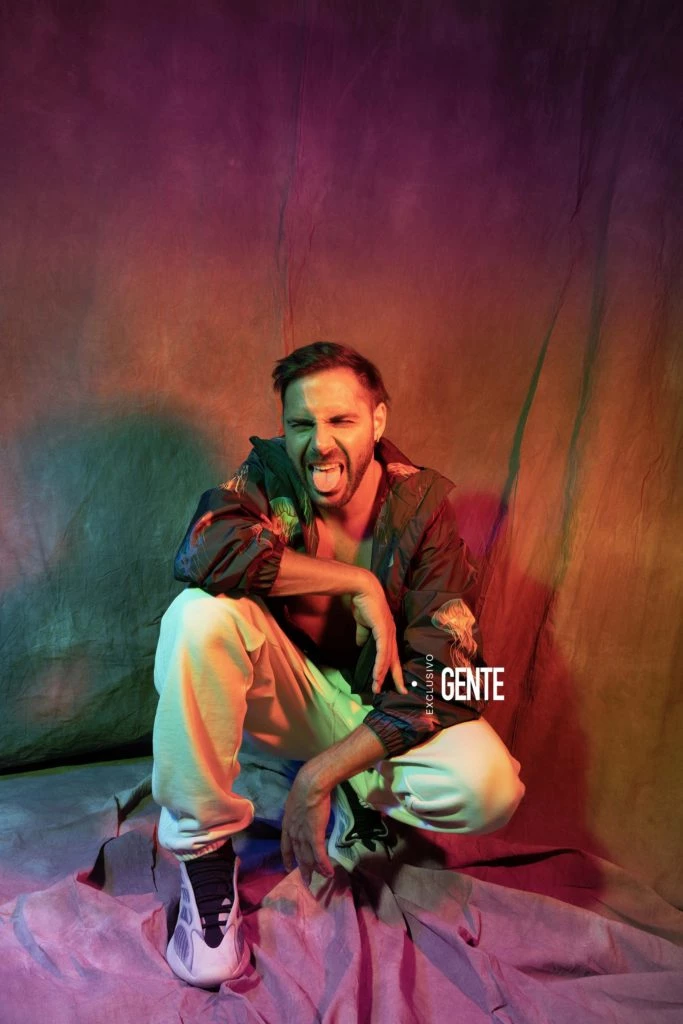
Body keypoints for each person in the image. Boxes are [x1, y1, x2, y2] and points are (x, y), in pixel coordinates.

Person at [152, 341, 525, 987]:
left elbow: (453, 679)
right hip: (285, 700)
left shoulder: (423, 510)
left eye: (341, 420)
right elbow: (202, 551)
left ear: (377, 421)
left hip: (375, 712)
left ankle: (340, 784)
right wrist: (356, 581)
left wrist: (318, 777)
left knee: (491, 786)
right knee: (196, 615)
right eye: (302, 423)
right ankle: (204, 854)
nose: (319, 444)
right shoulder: (271, 475)